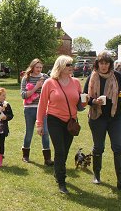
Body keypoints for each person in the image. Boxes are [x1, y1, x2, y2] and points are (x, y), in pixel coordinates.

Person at [83, 52, 121, 190]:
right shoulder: (91, 77)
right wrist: (94, 101)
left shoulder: (117, 76)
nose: (104, 66)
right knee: (99, 147)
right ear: (97, 64)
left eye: (106, 63)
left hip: (115, 118)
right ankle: (97, 176)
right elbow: (84, 97)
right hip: (97, 118)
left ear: (110, 65)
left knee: (118, 148)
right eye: (101, 63)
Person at [36, 55, 84, 194]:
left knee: (65, 151)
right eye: (68, 65)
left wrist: (87, 102)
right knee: (60, 151)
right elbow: (42, 104)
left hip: (70, 122)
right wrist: (39, 124)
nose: (71, 67)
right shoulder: (50, 83)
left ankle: (58, 172)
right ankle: (62, 181)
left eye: (71, 64)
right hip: (54, 120)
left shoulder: (76, 82)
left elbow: (79, 103)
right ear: (61, 66)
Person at [20, 59, 53, 166]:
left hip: (43, 108)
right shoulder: (26, 78)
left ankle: (47, 159)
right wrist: (36, 87)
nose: (39, 69)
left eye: (40, 67)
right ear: (32, 67)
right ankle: (25, 155)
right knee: (29, 132)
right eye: (37, 67)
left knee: (45, 132)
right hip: (29, 109)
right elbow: (23, 95)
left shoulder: (46, 78)